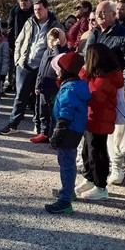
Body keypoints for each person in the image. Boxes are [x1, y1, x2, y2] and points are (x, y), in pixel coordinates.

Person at [84, 0, 125, 185]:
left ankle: (117, 168)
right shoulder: (95, 33)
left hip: (115, 89)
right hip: (95, 88)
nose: (99, 16)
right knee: (95, 135)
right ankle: (93, 173)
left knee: (117, 133)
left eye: (103, 12)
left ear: (114, 14)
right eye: (97, 12)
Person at [0, 0, 63, 136]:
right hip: (25, 64)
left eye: (40, 9)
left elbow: (61, 45)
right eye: (35, 9)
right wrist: (18, 60)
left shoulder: (55, 25)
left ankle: (38, 125)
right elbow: (19, 41)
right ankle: (13, 124)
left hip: (43, 67)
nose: (37, 12)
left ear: (47, 9)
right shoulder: (29, 22)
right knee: (20, 96)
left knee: (40, 97)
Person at [44, 52, 91, 215]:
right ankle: (68, 191)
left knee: (66, 163)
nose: (57, 71)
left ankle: (65, 201)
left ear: (65, 71)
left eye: (59, 69)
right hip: (75, 130)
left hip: (67, 131)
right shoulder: (79, 85)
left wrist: (57, 135)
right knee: (68, 162)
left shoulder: (69, 89)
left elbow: (65, 115)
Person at [76, 44, 124, 201]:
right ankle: (90, 178)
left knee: (97, 152)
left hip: (99, 120)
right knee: (87, 150)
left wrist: (84, 72)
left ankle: (100, 186)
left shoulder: (104, 79)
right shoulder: (98, 75)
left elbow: (91, 94)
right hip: (92, 118)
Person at [30, 28, 68, 143]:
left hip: (54, 87)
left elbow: (59, 61)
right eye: (50, 41)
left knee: (54, 113)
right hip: (43, 86)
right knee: (43, 111)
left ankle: (54, 135)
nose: (51, 43)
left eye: (54, 40)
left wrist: (57, 47)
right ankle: (44, 132)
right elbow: (41, 70)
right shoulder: (46, 52)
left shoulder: (63, 52)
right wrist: (37, 84)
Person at [5, 0, 34, 92]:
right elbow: (10, 27)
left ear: (31, 2)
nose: (23, 3)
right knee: (13, 64)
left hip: (30, 42)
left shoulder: (34, 12)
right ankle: (12, 83)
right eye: (21, 0)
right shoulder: (15, 11)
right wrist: (10, 43)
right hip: (16, 41)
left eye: (26, 0)